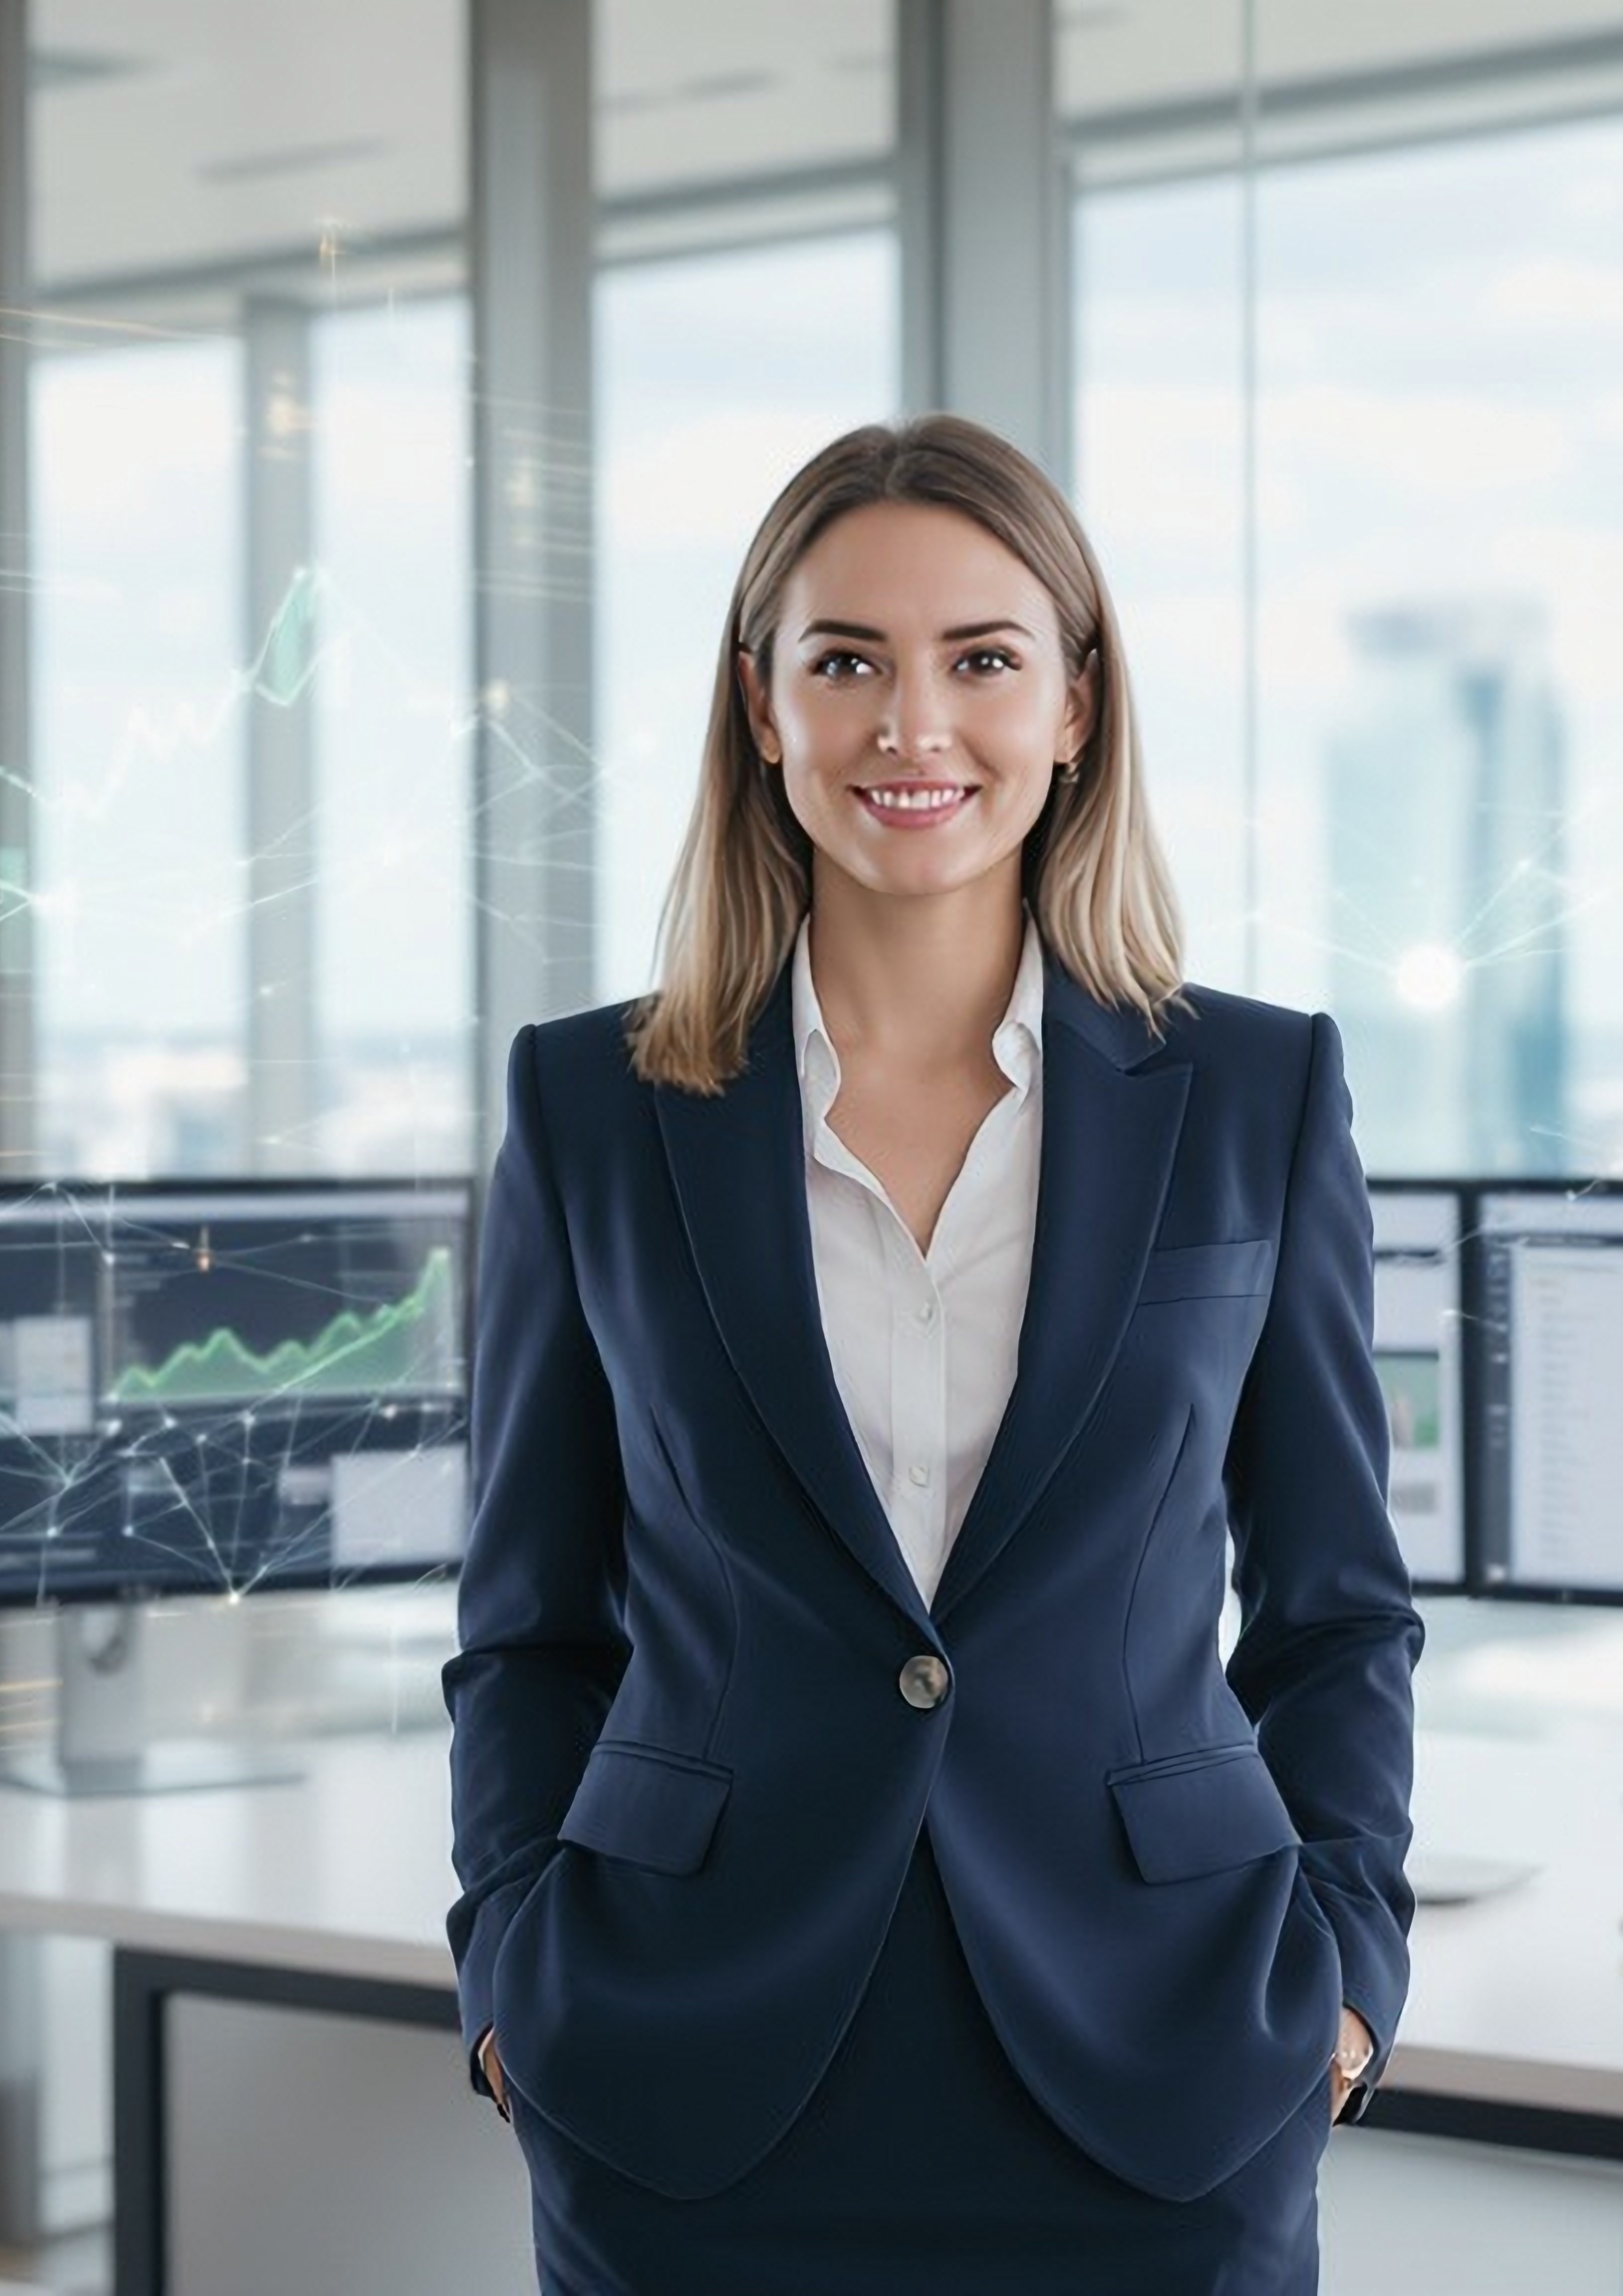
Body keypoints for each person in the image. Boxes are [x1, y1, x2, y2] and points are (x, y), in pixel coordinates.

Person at [444, 414, 1421, 2296]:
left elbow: (1336, 1608)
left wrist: (1348, 1981)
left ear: (1073, 705)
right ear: (761, 706)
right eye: (846, 662)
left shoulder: (1253, 1090)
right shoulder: (591, 1100)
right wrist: (512, 1979)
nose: (914, 727)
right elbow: (528, 1619)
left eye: (981, 659)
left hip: (1160, 2061)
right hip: (687, 2070)